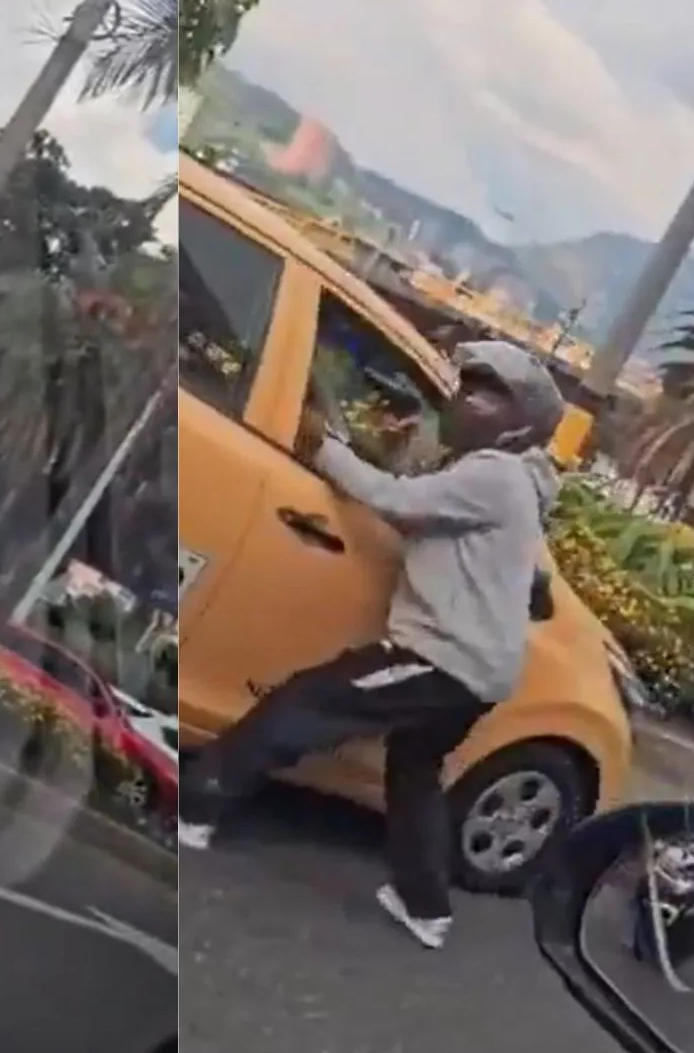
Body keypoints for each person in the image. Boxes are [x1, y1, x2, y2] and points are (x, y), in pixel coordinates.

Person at [178, 339, 567, 949]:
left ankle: (196, 806)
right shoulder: (498, 478)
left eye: (488, 395)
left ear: (522, 425)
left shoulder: (495, 475)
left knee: (306, 705)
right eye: (466, 387)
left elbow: (394, 501)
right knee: (414, 771)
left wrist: (325, 448)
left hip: (439, 658)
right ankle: (426, 906)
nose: (466, 400)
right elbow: (422, 514)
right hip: (480, 672)